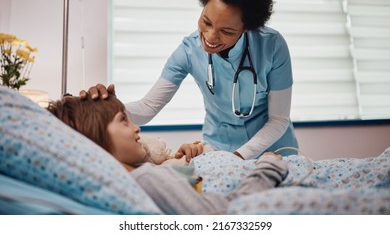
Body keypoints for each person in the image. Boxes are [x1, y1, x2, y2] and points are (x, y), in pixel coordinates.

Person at [81, 0, 298, 160]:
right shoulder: (188, 51)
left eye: (227, 31)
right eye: (207, 21)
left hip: (275, 152)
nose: (211, 37)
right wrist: (105, 106)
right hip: (219, 149)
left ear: (247, 28)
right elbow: (148, 108)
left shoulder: (272, 46)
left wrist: (239, 158)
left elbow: (278, 119)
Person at [46, 94, 288, 214]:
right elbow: (216, 214)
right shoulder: (147, 179)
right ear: (95, 139)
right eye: (123, 121)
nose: (136, 127)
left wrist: (181, 159)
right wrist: (267, 169)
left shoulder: (142, 175)